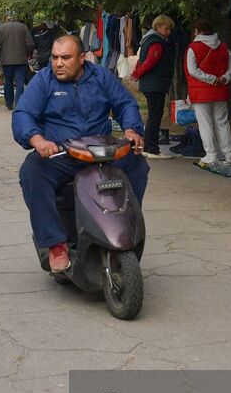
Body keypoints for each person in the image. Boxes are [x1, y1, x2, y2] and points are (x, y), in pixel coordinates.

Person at [14, 34, 149, 272]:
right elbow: (23, 113)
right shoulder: (44, 80)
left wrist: (131, 129)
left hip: (102, 151)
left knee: (138, 165)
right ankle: (55, 243)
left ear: (82, 58)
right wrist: (38, 139)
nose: (58, 63)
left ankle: (124, 225)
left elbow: (125, 103)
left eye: (65, 58)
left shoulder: (101, 78)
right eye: (55, 58)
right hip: (62, 154)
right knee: (32, 172)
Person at [184, 20, 231, 167]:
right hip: (220, 90)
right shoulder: (224, 47)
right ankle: (229, 154)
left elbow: (192, 70)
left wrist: (211, 79)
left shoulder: (193, 48)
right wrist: (224, 78)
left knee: (205, 124)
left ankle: (211, 154)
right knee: (222, 122)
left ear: (198, 31)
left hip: (201, 92)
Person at [130, 16, 177, 158]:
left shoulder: (147, 40)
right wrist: (137, 73)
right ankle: (151, 148)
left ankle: (149, 146)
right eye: (166, 28)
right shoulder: (157, 43)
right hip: (155, 83)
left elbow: (142, 60)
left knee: (153, 116)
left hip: (151, 83)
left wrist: (137, 73)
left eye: (170, 29)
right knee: (155, 116)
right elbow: (151, 61)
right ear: (158, 27)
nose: (168, 32)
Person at [0, 13, 36, 110]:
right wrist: (27, 54)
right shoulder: (23, 27)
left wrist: (0, 56)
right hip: (21, 60)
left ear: (7, 19)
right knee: (19, 81)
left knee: (8, 81)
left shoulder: (2, 28)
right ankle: (19, 103)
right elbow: (30, 44)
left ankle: (9, 103)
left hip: (6, 60)